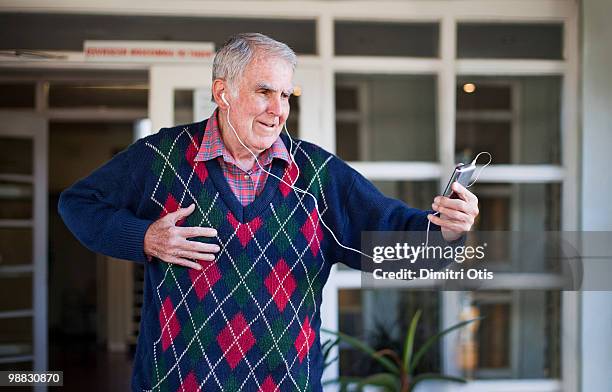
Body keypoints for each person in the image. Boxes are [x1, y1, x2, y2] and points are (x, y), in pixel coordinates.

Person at [59, 33, 479, 392]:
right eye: (264, 92)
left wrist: (447, 232)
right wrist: (144, 238)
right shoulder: (161, 158)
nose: (278, 110)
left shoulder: (317, 176)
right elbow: (78, 204)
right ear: (223, 93)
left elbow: (393, 237)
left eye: (285, 95)